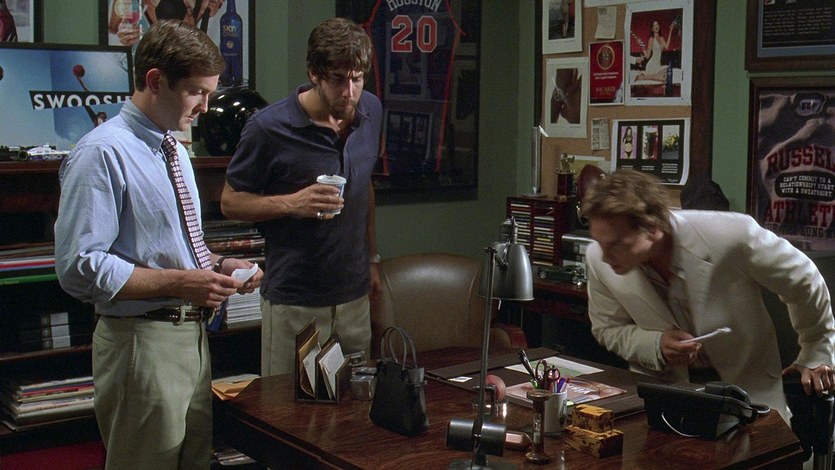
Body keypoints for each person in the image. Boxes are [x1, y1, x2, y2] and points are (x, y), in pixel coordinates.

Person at [54, 20, 262, 469]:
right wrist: (181, 283)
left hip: (192, 340)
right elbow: (78, 266)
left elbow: (175, 247)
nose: (205, 107)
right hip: (141, 344)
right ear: (154, 80)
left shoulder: (175, 151)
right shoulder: (101, 153)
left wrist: (219, 266)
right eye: (196, 92)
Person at [581, 169, 835, 422]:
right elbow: (607, 329)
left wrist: (816, 348)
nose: (604, 256)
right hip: (662, 397)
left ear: (652, 228)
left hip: (749, 392)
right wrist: (656, 345)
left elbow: (803, 279)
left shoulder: (732, 234)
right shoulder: (598, 258)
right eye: (599, 242)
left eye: (615, 244)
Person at [221, 17, 382, 377]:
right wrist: (293, 203)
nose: (350, 92)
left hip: (354, 296)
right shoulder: (268, 127)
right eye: (338, 79)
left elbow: (365, 185)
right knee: (291, 405)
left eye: (357, 79)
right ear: (314, 74)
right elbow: (231, 201)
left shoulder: (371, 111)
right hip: (296, 300)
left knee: (355, 403)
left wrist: (373, 258)